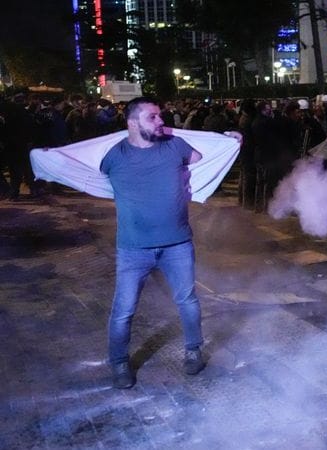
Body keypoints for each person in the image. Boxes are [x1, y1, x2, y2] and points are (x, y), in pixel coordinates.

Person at [99, 96, 239, 389]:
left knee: (187, 300)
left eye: (160, 115)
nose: (161, 121)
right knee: (123, 309)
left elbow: (208, 158)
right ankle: (119, 362)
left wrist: (228, 141)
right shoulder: (114, 156)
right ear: (132, 122)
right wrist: (49, 157)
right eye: (153, 117)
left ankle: (193, 351)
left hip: (177, 244)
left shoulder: (175, 146)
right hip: (133, 249)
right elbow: (85, 167)